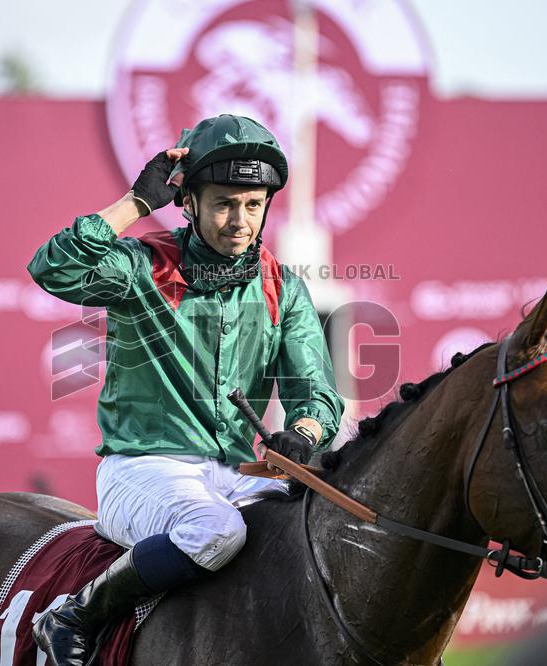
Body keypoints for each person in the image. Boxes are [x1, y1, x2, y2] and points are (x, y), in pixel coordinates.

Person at [27, 114, 345, 665]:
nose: (240, 221)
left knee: (318, 530)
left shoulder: (283, 289)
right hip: (141, 470)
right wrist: (134, 204)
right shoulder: (141, 267)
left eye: (253, 205)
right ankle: (76, 613)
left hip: (236, 476)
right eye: (224, 204)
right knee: (216, 531)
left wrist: (304, 432)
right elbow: (51, 268)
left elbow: (314, 391)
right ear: (189, 203)